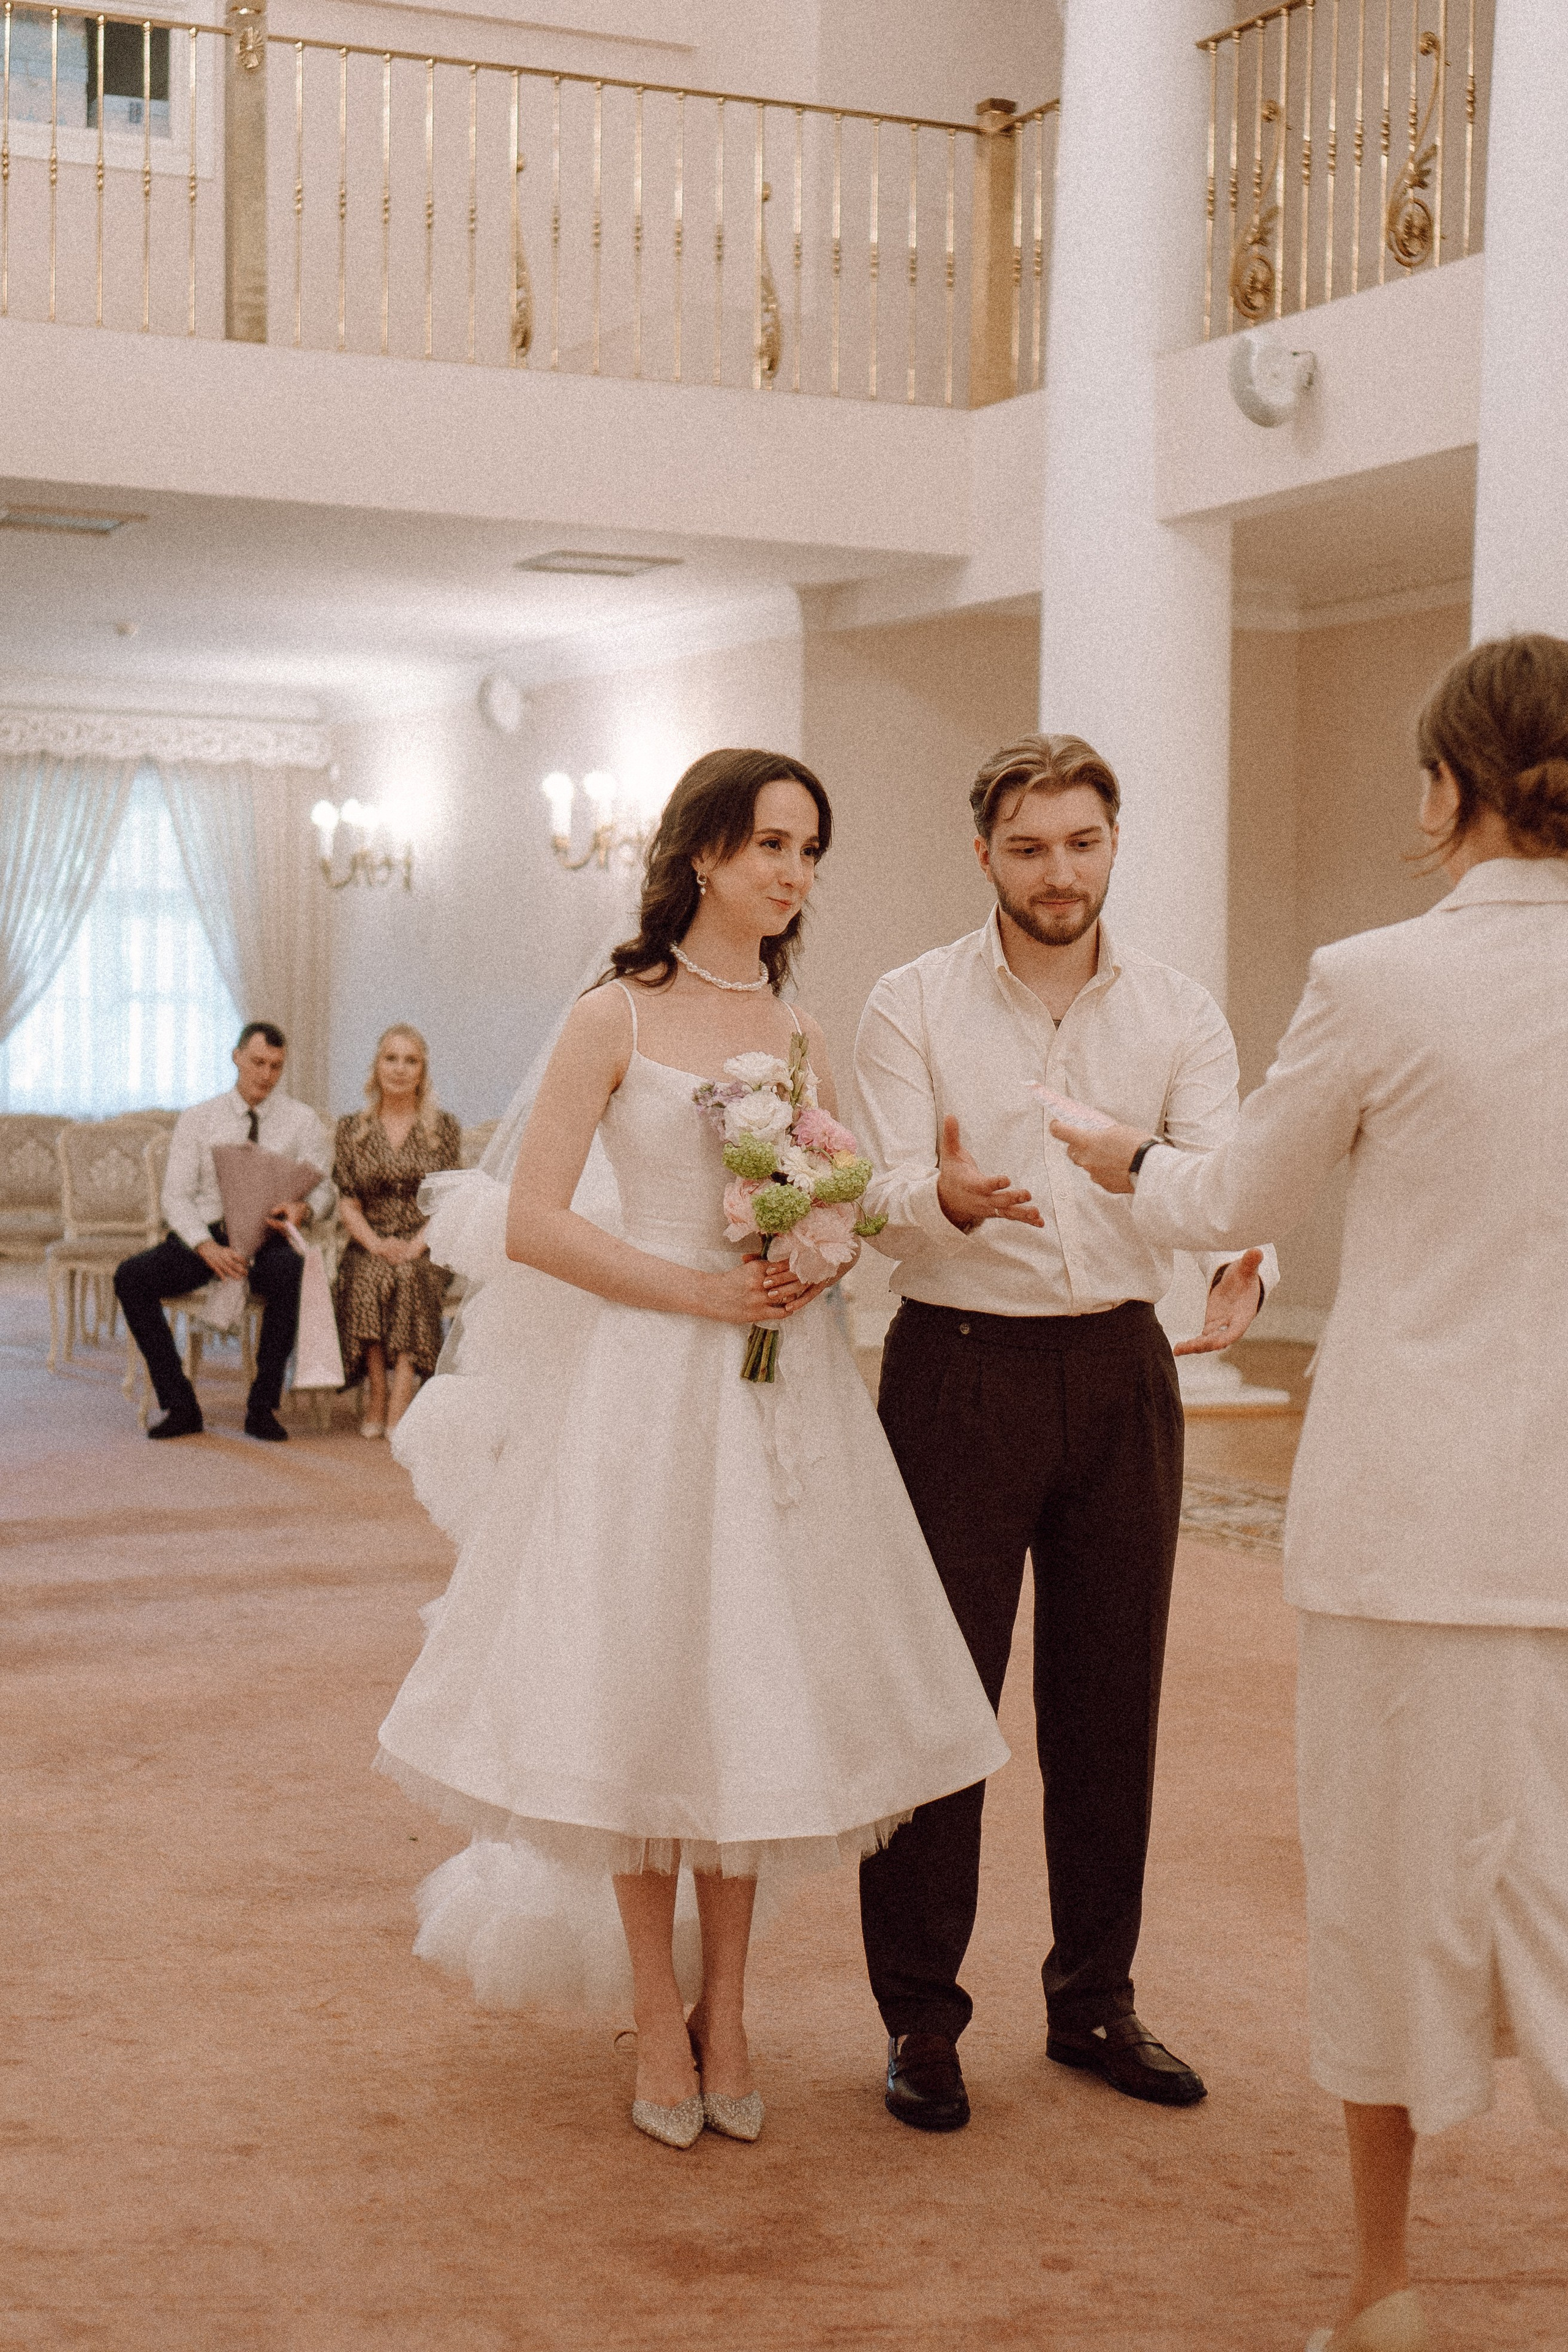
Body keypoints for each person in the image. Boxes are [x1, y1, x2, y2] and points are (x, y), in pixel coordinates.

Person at [375, 748, 1008, 2151]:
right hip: (646, 1382)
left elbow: (835, 1199)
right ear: (704, 853)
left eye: (809, 850)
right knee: (644, 1683)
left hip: (778, 1396)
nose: (793, 873)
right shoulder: (611, 1014)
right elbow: (534, 1220)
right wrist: (697, 1291)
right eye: (771, 843)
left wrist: (816, 1248)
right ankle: (656, 2009)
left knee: (745, 1688)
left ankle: (730, 2007)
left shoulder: (797, 1030)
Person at [1052, 634, 1568, 2352]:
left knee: (1383, 1904)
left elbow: (1227, 1202)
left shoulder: (1372, 978)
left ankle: (1385, 2286)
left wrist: (1121, 1153)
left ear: (1441, 792)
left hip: (1409, 1526)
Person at [852, 733, 1275, 2132]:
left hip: (1118, 1371)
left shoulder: (1177, 1009)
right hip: (956, 1367)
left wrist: (1242, 1263)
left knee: (1108, 1705)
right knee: (937, 1700)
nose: (1057, 873)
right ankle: (920, 2017)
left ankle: (1094, 1998)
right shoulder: (909, 999)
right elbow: (880, 1190)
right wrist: (943, 1199)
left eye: (1081, 844)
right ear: (983, 853)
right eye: (1028, 848)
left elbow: (1217, 1178)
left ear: (1112, 844)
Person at [114, 1020, 333, 1442]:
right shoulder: (199, 1119)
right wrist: (204, 1246)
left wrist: (304, 1208)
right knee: (131, 1277)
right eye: (257, 1063)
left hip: (267, 1236)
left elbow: (325, 1189)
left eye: (276, 1066)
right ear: (236, 1057)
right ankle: (180, 1404)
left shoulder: (302, 1121)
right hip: (208, 1236)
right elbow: (176, 1197)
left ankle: (262, 1407)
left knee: (291, 1271)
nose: (266, 1075)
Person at [332, 1025, 461, 1438]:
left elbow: (447, 1201)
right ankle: (378, 1391)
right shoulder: (352, 1128)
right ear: (377, 1066)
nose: (400, 1069)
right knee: (369, 1275)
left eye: (411, 1060)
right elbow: (348, 1202)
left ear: (423, 1071)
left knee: (408, 1275)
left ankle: (402, 1391)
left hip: (426, 1244)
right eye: (391, 1058)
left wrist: (415, 1245)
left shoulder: (443, 1128)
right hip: (368, 1240)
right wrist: (376, 1244)